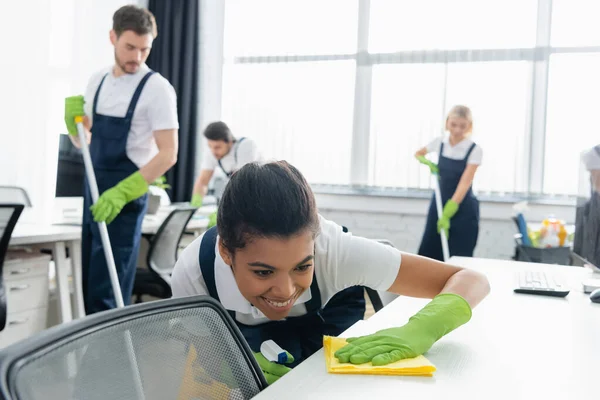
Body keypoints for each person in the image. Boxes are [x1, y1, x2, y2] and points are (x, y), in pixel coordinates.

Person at [171, 160, 490, 384]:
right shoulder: (193, 274)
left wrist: (423, 328)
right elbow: (205, 353)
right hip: (246, 332)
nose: (284, 290)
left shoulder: (335, 250)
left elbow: (471, 279)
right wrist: (229, 367)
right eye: (264, 272)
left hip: (326, 314)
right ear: (227, 252)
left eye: (302, 266)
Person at [63, 5, 179, 314]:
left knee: (109, 290)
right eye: (130, 47)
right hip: (94, 190)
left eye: (145, 49)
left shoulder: (157, 89)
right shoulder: (97, 80)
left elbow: (169, 152)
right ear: (112, 37)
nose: (137, 57)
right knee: (89, 280)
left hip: (125, 196)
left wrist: (122, 192)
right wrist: (73, 125)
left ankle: (108, 358)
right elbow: (83, 141)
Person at [415, 105, 482, 261]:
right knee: (430, 250)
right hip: (439, 202)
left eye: (463, 126)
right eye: (454, 125)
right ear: (447, 123)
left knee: (458, 254)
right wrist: (427, 163)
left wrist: (449, 211)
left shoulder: (474, 150)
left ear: (469, 126)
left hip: (462, 206)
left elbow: (465, 183)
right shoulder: (439, 143)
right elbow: (418, 153)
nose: (457, 130)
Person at [190, 121, 262, 207]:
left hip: (260, 191)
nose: (213, 151)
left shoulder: (246, 146)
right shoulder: (213, 153)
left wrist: (223, 211)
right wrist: (195, 204)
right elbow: (202, 182)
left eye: (218, 147)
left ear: (230, 141)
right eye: (210, 146)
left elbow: (241, 182)